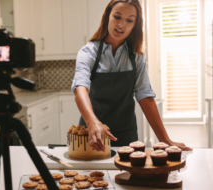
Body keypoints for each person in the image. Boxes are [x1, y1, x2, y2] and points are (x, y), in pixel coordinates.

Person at [71, 0, 192, 151]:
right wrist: (92, 122)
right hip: (92, 136)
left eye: (129, 20)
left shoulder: (136, 56)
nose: (122, 24)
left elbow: (145, 96)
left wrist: (164, 139)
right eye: (117, 17)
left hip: (126, 135)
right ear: (107, 16)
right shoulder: (88, 53)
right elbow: (80, 87)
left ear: (135, 25)